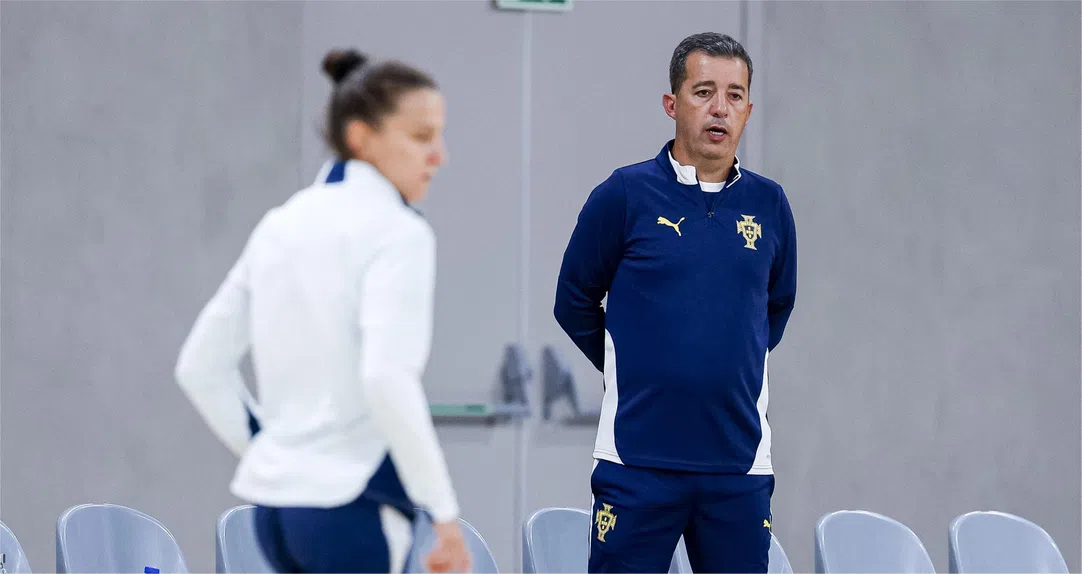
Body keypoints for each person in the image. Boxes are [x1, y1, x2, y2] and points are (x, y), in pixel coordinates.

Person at [174, 48, 471, 574]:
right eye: (422, 137)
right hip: (352, 509)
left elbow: (198, 367)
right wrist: (444, 515)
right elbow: (386, 377)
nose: (440, 156)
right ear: (361, 137)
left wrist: (274, 453)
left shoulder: (280, 223)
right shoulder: (399, 232)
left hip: (274, 515)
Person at [553, 32, 797, 573]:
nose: (719, 108)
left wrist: (722, 361)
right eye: (703, 91)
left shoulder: (770, 204)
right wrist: (638, 368)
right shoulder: (624, 194)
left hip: (738, 467)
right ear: (672, 104)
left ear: (749, 110)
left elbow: (773, 311)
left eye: (734, 95)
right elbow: (573, 301)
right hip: (638, 464)